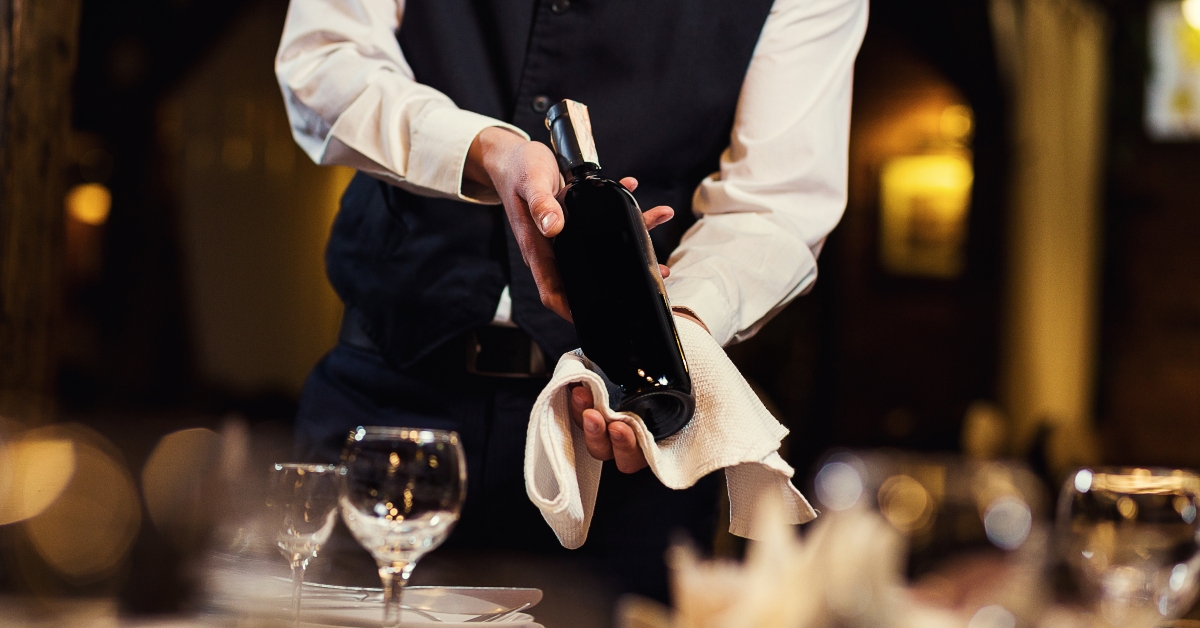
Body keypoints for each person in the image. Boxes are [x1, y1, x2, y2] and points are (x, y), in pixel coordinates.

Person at [276, 0, 867, 600]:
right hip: (386, 402)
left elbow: (774, 201)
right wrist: (488, 152)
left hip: (625, 456)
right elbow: (322, 60)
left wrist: (671, 329)